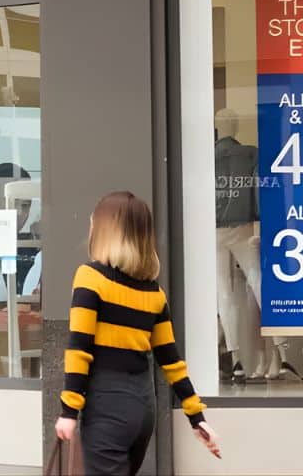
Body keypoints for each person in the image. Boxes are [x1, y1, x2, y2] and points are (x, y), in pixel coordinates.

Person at [54, 191, 221, 473]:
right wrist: (196, 416)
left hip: (107, 406)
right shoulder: (155, 293)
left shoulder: (90, 278)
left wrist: (69, 411)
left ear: (104, 230)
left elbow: (79, 349)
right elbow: (171, 361)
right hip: (144, 410)